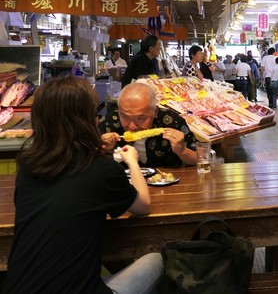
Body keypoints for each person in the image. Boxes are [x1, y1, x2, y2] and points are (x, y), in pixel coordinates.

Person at [3, 76, 163, 294]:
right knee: (157, 259)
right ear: (86, 119)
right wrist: (132, 162)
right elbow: (143, 206)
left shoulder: (28, 168)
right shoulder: (100, 168)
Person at [101, 82, 198, 167]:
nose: (132, 126)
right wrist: (102, 148)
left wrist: (182, 150)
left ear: (155, 111)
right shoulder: (110, 122)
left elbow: (198, 159)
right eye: (125, 117)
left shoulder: (172, 121)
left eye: (140, 118)